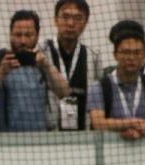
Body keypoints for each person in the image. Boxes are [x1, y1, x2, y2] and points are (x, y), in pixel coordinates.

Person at [0, 9, 70, 132]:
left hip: (37, 142)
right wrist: (1, 73)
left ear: (37, 35)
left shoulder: (44, 61)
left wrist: (46, 66)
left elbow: (64, 92)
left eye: (28, 35)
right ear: (10, 34)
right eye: (18, 35)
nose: (23, 41)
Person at [87, 23, 145, 140]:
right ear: (115, 55)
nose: (131, 58)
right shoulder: (99, 87)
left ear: (144, 55)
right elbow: (98, 123)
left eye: (137, 53)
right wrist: (130, 124)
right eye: (126, 52)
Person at [44, 0, 102, 131]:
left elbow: (98, 99)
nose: (70, 23)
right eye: (65, 17)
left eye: (77, 18)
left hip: (84, 135)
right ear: (55, 20)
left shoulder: (93, 56)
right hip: (49, 137)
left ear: (86, 23)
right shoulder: (42, 52)